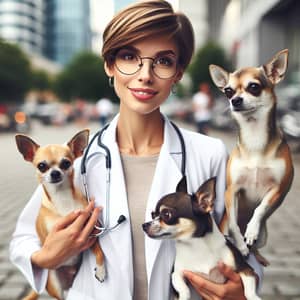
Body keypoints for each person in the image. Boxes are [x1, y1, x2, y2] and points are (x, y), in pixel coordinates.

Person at [9, 1, 263, 299]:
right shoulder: (75, 161)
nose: (145, 74)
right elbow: (24, 238)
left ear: (179, 72)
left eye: (163, 61)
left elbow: (243, 241)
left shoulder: (209, 154)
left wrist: (243, 291)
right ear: (109, 64)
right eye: (129, 57)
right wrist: (44, 258)